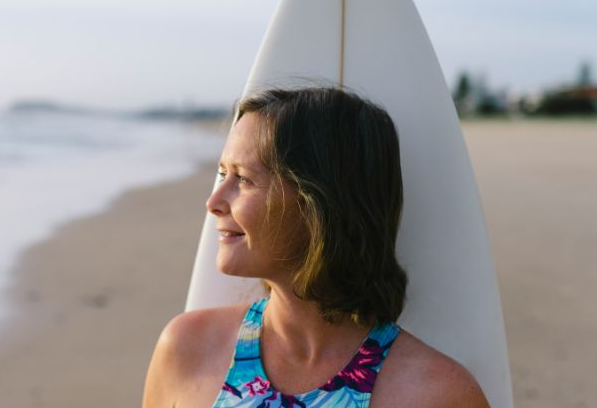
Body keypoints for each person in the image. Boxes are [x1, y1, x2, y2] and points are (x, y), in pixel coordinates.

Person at [142, 87, 490, 407]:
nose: (214, 201)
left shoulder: (437, 394)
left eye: (243, 178)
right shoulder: (187, 349)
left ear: (319, 204)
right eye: (222, 175)